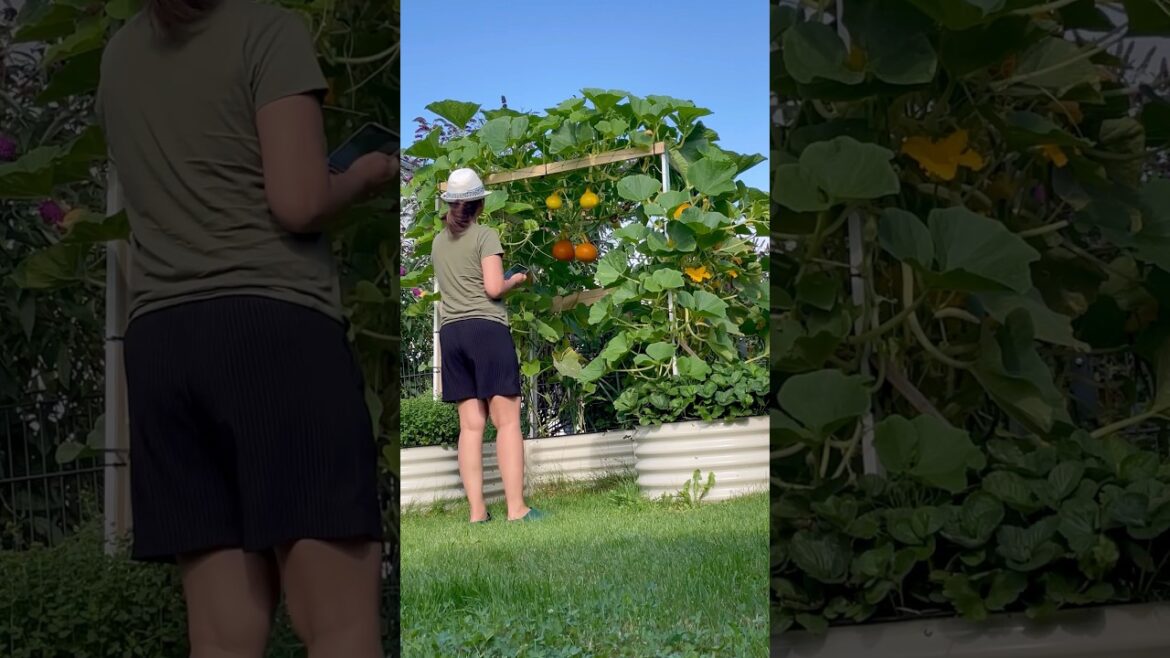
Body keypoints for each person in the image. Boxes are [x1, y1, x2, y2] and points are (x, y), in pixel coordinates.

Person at [95, 1, 396, 656]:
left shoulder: (117, 56)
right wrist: (368, 175)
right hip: (272, 331)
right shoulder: (268, 31)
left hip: (162, 349)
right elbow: (299, 202)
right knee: (339, 626)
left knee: (223, 640)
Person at [433, 168, 544, 523]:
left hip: (451, 334)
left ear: (451, 204)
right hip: (485, 330)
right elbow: (493, 289)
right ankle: (516, 509)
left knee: (470, 426)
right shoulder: (485, 235)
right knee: (507, 421)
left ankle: (477, 512)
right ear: (480, 203)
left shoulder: (438, 242)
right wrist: (517, 279)